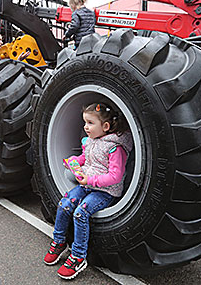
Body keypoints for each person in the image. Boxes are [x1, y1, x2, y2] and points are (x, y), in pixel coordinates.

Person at [43, 102, 133, 280]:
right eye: (85, 122)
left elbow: (115, 176)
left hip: (105, 192)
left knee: (80, 212)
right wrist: (73, 161)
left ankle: (78, 256)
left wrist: (90, 180)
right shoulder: (90, 141)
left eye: (90, 123)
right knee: (65, 203)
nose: (86, 127)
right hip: (86, 185)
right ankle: (59, 241)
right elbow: (85, 158)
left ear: (105, 126)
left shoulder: (115, 147)